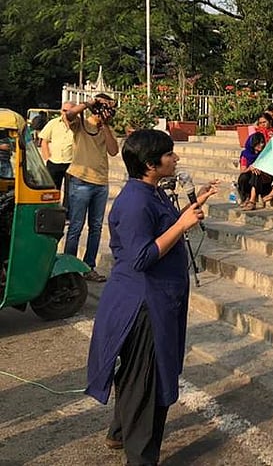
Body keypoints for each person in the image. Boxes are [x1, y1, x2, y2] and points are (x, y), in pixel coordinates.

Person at [86, 130, 216, 464]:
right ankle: (141, 457)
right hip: (143, 303)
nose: (176, 158)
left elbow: (162, 227)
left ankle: (119, 432)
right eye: (169, 154)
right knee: (146, 379)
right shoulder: (134, 202)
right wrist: (183, 225)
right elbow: (142, 256)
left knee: (137, 375)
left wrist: (195, 203)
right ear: (149, 164)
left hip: (160, 297)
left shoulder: (152, 192)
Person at [64, 94, 120, 282]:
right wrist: (90, 103)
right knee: (76, 227)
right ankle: (68, 267)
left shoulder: (105, 128)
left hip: (101, 183)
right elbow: (69, 114)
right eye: (104, 107)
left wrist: (104, 125)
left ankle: (89, 267)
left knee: (95, 227)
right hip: (80, 181)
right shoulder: (82, 123)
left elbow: (113, 151)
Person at [40, 101, 74, 191]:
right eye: (64, 110)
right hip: (54, 162)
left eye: (69, 111)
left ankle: (67, 205)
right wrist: (47, 158)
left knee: (71, 192)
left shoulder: (79, 125)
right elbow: (44, 141)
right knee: (52, 190)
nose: (66, 113)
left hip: (71, 163)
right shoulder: (53, 123)